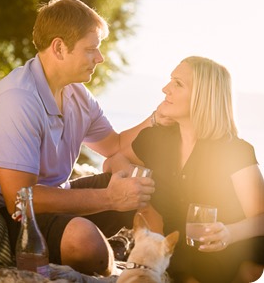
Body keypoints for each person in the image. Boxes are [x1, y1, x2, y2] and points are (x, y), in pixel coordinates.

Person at [0, 0, 156, 276]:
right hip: (18, 215)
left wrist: (158, 117)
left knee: (144, 183)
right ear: (59, 48)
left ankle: (159, 268)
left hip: (59, 196)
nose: (99, 58)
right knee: (85, 243)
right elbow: (21, 198)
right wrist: (111, 199)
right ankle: (119, 266)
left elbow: (114, 145)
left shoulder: (76, 93)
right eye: (91, 49)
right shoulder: (17, 100)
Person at [104, 56, 264, 283]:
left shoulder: (234, 151)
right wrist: (136, 187)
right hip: (171, 254)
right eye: (170, 80)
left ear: (203, 95)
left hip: (222, 259)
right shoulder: (156, 139)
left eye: (177, 83)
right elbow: (113, 160)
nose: (165, 89)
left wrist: (229, 233)